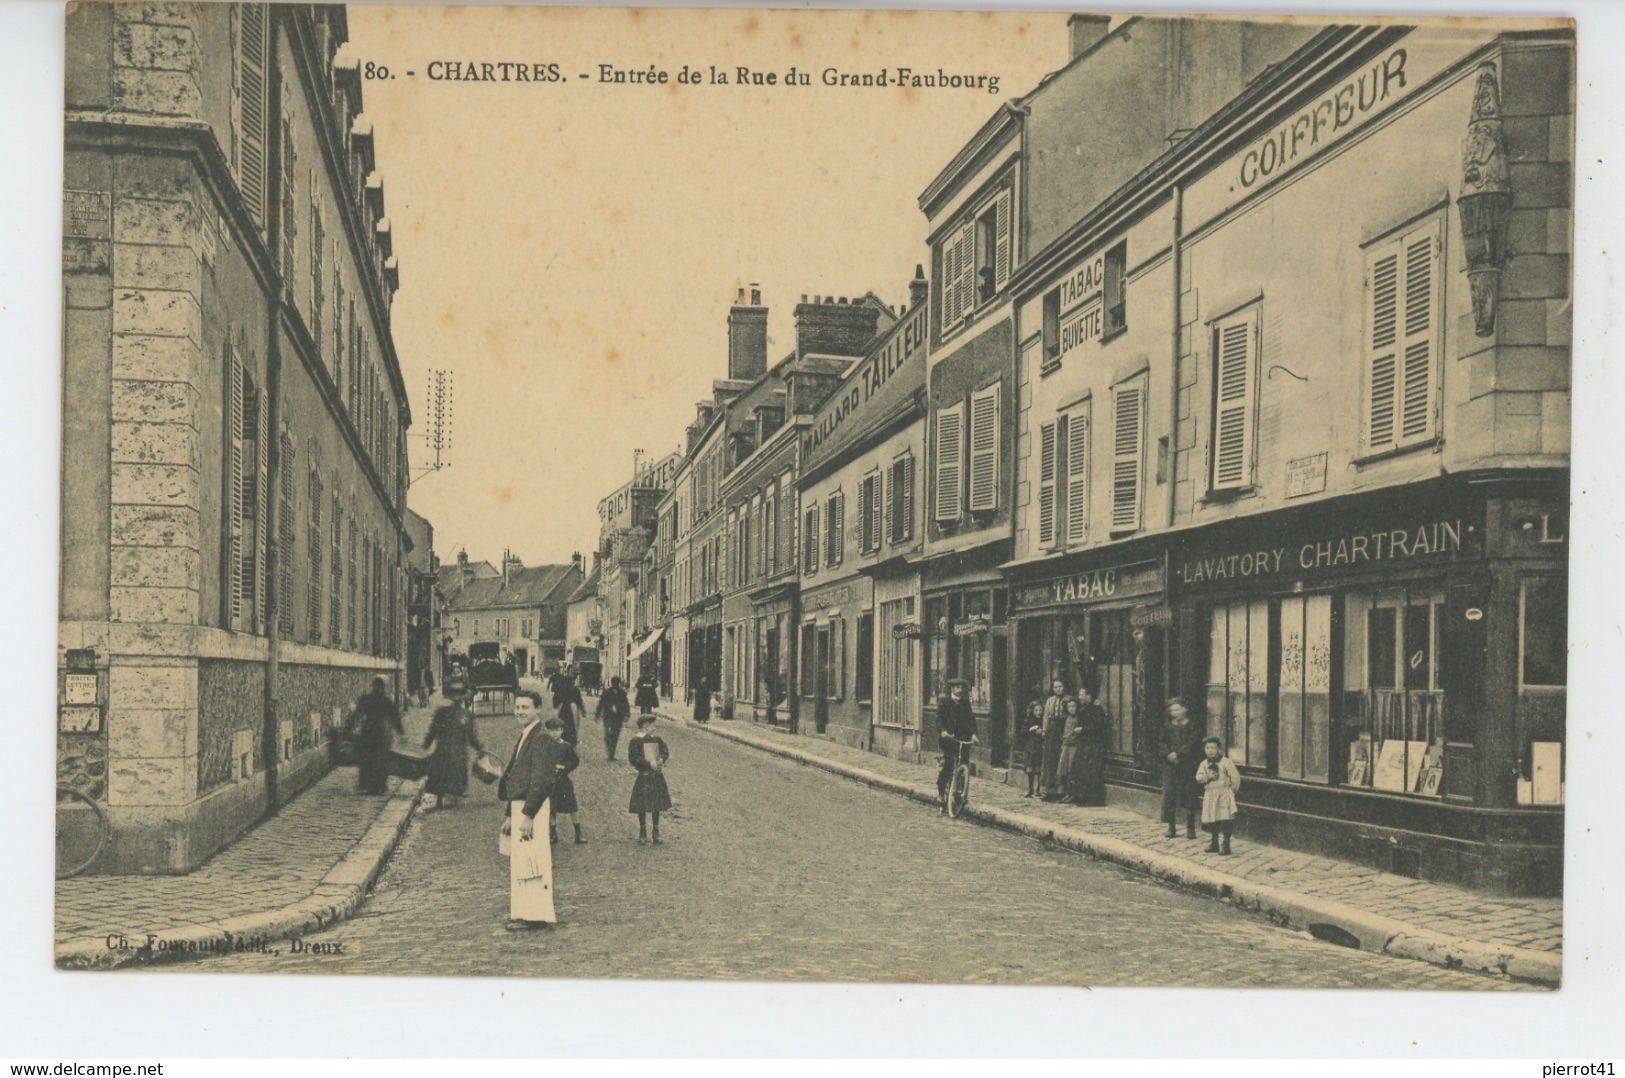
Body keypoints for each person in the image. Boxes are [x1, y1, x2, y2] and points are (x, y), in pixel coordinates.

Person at [497, 694, 568, 930]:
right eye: (517, 707)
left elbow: (542, 780)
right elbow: (517, 776)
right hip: (522, 805)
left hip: (533, 807)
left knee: (532, 861)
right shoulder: (528, 733)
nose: (520, 711)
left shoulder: (541, 737)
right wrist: (510, 813)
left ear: (538, 709)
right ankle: (523, 912)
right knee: (521, 861)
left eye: (525, 707)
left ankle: (535, 916)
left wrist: (527, 815)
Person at [422, 694, 484, 810]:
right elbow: (472, 737)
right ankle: (450, 798)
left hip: (443, 749)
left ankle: (441, 799)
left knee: (440, 774)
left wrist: (426, 744)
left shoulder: (441, 712)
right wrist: (480, 748)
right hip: (457, 751)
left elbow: (433, 730)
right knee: (453, 774)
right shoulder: (466, 715)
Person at [351, 677, 403, 796]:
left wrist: (400, 731)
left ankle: (375, 784)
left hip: (375, 732)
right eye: (377, 686)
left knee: (377, 759)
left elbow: (395, 717)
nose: (379, 689)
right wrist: (400, 731)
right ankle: (375, 785)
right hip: (376, 732)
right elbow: (357, 713)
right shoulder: (381, 700)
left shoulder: (375, 700)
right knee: (374, 759)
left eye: (380, 686)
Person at [1160, 698, 1203, 840]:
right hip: (1170, 766)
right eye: (1172, 710)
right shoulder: (1167, 726)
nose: (1174, 713)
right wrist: (1169, 754)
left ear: (1185, 709)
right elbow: (1162, 742)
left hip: (1187, 765)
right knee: (1170, 794)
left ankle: (1191, 828)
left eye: (1177, 709)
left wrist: (1178, 754)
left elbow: (1192, 743)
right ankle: (1171, 827)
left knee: (1189, 794)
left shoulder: (1192, 725)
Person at [935, 678, 978, 814]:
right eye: (957, 688)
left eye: (961, 688)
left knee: (964, 763)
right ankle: (941, 792)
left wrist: (974, 734)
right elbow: (939, 719)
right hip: (949, 738)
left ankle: (960, 793)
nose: (959, 690)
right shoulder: (945, 702)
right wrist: (943, 731)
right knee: (949, 763)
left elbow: (971, 720)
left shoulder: (965, 704)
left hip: (963, 738)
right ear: (952, 689)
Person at [627, 714, 671, 844]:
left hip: (656, 775)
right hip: (645, 775)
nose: (655, 727)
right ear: (645, 726)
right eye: (652, 725)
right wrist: (648, 764)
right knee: (642, 804)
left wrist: (662, 758)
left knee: (656, 803)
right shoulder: (636, 741)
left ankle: (656, 831)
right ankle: (642, 831)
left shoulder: (656, 739)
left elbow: (665, 750)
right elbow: (634, 759)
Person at [544, 714, 586, 846]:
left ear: (562, 731)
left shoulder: (566, 746)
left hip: (563, 781)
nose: (554, 733)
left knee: (572, 806)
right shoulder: (545, 746)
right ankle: (553, 833)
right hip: (550, 781)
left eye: (557, 730)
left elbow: (575, 760)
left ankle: (578, 832)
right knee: (551, 808)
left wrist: (564, 767)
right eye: (551, 730)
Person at [1196, 737, 1242, 854]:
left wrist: (1230, 791)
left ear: (1218, 749)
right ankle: (1214, 842)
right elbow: (1199, 778)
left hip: (1223, 794)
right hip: (1211, 794)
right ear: (1204, 750)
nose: (1210, 750)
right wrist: (1208, 778)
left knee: (1225, 818)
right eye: (1207, 748)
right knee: (1212, 818)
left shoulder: (1226, 762)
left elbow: (1235, 778)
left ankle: (1226, 844)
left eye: (1213, 748)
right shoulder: (1204, 764)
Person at [1071, 686, 1110, 807]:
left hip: (1093, 744)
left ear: (1089, 696)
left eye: (1082, 694)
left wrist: (1083, 729)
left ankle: (1093, 799)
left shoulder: (1097, 710)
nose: (1080, 697)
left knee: (1091, 771)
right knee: (1081, 769)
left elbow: (1098, 727)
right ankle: (1082, 796)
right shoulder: (1083, 709)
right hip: (1084, 743)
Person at [1039, 678, 1069, 802]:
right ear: (1053, 689)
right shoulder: (1050, 701)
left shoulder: (1068, 699)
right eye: (1056, 687)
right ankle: (1048, 791)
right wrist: (1044, 730)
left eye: (1060, 686)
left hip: (1063, 729)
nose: (1058, 689)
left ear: (1064, 686)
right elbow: (1046, 716)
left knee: (1060, 760)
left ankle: (1060, 791)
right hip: (1052, 730)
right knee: (1049, 760)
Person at [1055, 695, 1084, 804]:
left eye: (1073, 706)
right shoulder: (1067, 719)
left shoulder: (1078, 719)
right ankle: (1064, 793)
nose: (1072, 709)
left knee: (1071, 769)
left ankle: (1072, 794)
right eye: (1069, 707)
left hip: (1074, 745)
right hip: (1066, 745)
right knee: (1063, 768)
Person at [596, 676, 630, 761]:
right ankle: (610, 752)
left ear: (618, 683)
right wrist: (597, 714)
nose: (615, 685)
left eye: (617, 683)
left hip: (618, 717)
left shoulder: (622, 693)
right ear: (612, 683)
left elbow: (626, 705)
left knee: (615, 735)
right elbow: (601, 704)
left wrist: (627, 715)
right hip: (608, 717)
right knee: (608, 733)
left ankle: (612, 753)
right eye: (614, 683)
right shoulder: (606, 692)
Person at [1019, 699, 1045, 798]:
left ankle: (1037, 790)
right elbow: (1022, 733)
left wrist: (1042, 732)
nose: (1038, 712)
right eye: (1036, 710)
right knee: (1030, 770)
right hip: (1030, 747)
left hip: (1040, 747)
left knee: (1038, 769)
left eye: (1040, 710)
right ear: (1032, 711)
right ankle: (1030, 789)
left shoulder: (1043, 720)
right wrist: (1031, 729)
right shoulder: (1028, 720)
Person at [554, 677, 585, 746]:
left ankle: (562, 739)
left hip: (563, 709)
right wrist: (582, 710)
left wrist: (556, 707)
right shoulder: (575, 689)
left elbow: (556, 698)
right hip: (572, 709)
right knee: (573, 725)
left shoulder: (561, 688)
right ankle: (572, 740)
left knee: (562, 723)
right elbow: (579, 700)